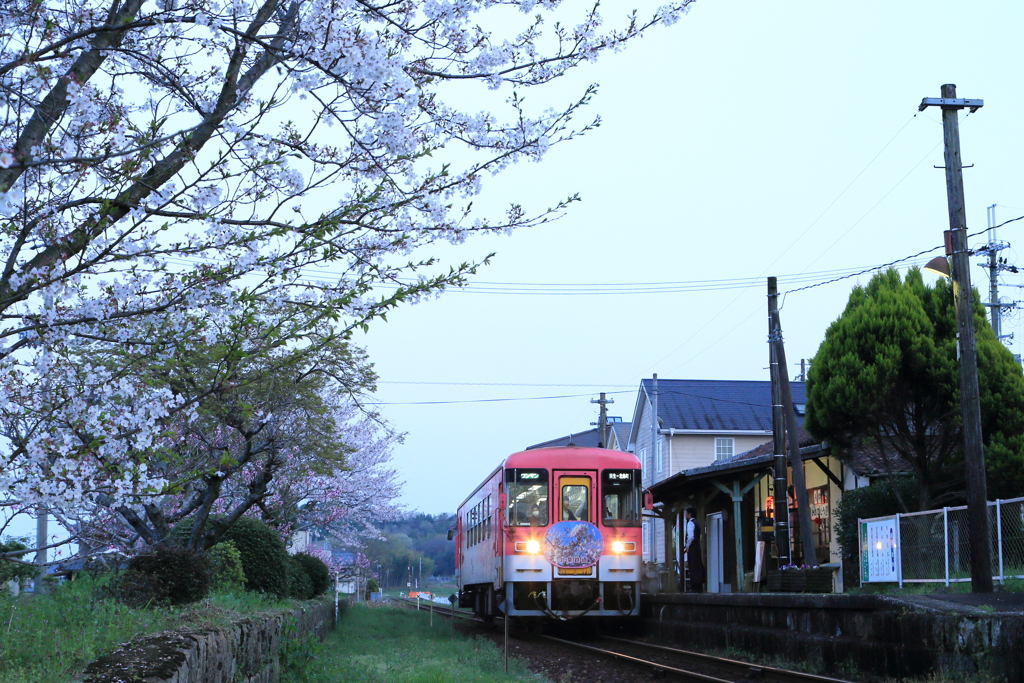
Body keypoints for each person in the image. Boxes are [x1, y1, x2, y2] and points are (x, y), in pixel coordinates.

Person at [683, 507, 705, 593]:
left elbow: (691, 536)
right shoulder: (697, 523)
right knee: (698, 565)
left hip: (692, 546)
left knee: (693, 565)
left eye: (686, 513)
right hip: (697, 546)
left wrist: (687, 546)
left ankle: (694, 586)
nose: (685, 515)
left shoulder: (690, 523)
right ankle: (699, 586)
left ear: (689, 514)